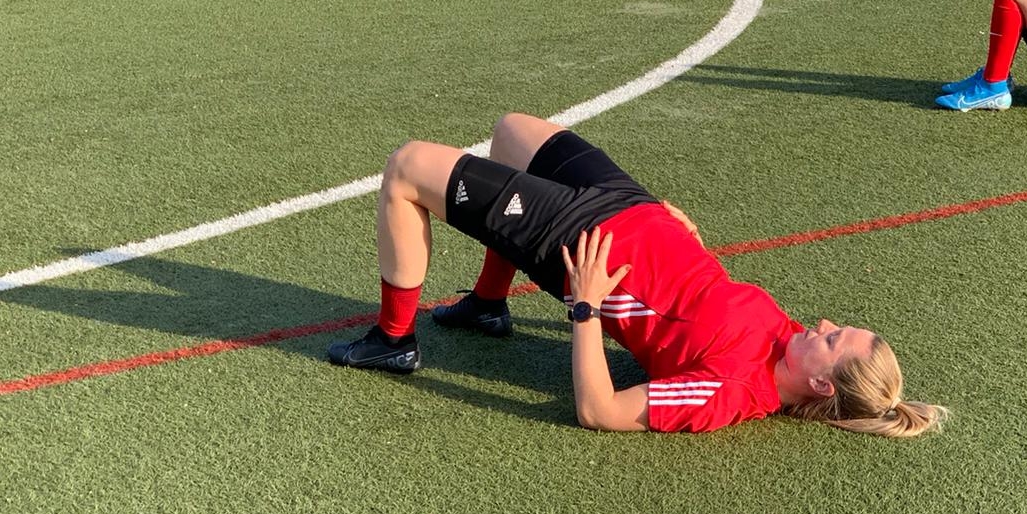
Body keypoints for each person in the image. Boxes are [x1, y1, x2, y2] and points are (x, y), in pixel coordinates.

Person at [326, 112, 946, 437]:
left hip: (577, 239)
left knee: (406, 167)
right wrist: (690, 241)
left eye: (834, 339)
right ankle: (489, 304)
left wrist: (586, 307)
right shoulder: (788, 341)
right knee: (511, 131)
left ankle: (394, 340)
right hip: (631, 205)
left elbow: (600, 410)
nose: (825, 323)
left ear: (820, 385)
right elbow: (705, 301)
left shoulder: (728, 394)